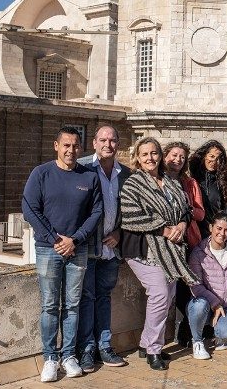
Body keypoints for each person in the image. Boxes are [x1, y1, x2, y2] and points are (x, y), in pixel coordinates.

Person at [22, 126, 103, 382]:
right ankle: (50, 358)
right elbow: (29, 209)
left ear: (81, 148)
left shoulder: (89, 177)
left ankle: (69, 355)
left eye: (75, 145)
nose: (71, 150)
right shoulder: (41, 173)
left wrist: (75, 239)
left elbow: (96, 213)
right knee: (49, 305)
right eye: (66, 145)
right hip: (48, 249)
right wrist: (55, 239)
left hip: (77, 250)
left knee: (72, 305)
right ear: (56, 146)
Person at [119, 137, 200, 371]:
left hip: (172, 248)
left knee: (168, 294)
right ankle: (154, 349)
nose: (150, 158)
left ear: (160, 156)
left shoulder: (171, 182)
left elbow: (185, 209)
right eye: (145, 155)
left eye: (154, 153)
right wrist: (165, 229)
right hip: (143, 249)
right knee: (160, 294)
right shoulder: (133, 184)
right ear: (137, 158)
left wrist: (182, 226)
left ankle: (146, 343)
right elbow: (131, 216)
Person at [76, 126, 130, 373]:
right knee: (86, 299)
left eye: (112, 140)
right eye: (103, 140)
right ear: (94, 143)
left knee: (104, 297)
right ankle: (86, 350)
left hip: (111, 250)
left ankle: (104, 346)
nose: (108, 144)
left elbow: (130, 213)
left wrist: (120, 233)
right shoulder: (82, 168)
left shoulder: (125, 174)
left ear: (118, 143)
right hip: (88, 248)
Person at [163, 141, 206, 347]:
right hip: (164, 243)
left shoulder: (190, 183)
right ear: (165, 157)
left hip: (188, 241)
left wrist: (184, 211)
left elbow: (200, 213)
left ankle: (188, 329)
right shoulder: (156, 180)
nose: (177, 159)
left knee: (186, 289)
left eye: (181, 156)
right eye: (174, 155)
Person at [187, 212, 227, 359]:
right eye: (219, 228)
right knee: (198, 306)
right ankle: (197, 341)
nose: (222, 233)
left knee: (226, 333)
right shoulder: (199, 253)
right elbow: (195, 284)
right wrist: (214, 303)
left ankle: (218, 335)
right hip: (206, 303)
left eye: (226, 230)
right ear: (211, 227)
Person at [189, 140, 227, 238]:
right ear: (204, 156)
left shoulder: (222, 181)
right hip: (194, 231)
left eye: (218, 159)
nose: (214, 161)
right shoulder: (193, 178)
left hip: (214, 233)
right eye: (211, 156)